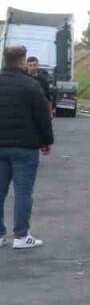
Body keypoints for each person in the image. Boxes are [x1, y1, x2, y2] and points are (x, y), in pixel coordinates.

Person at [0, 45, 54, 250]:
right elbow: (43, 116)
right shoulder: (31, 85)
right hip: (25, 146)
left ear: (4, 59)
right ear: (23, 60)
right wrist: (46, 141)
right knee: (23, 191)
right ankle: (21, 236)